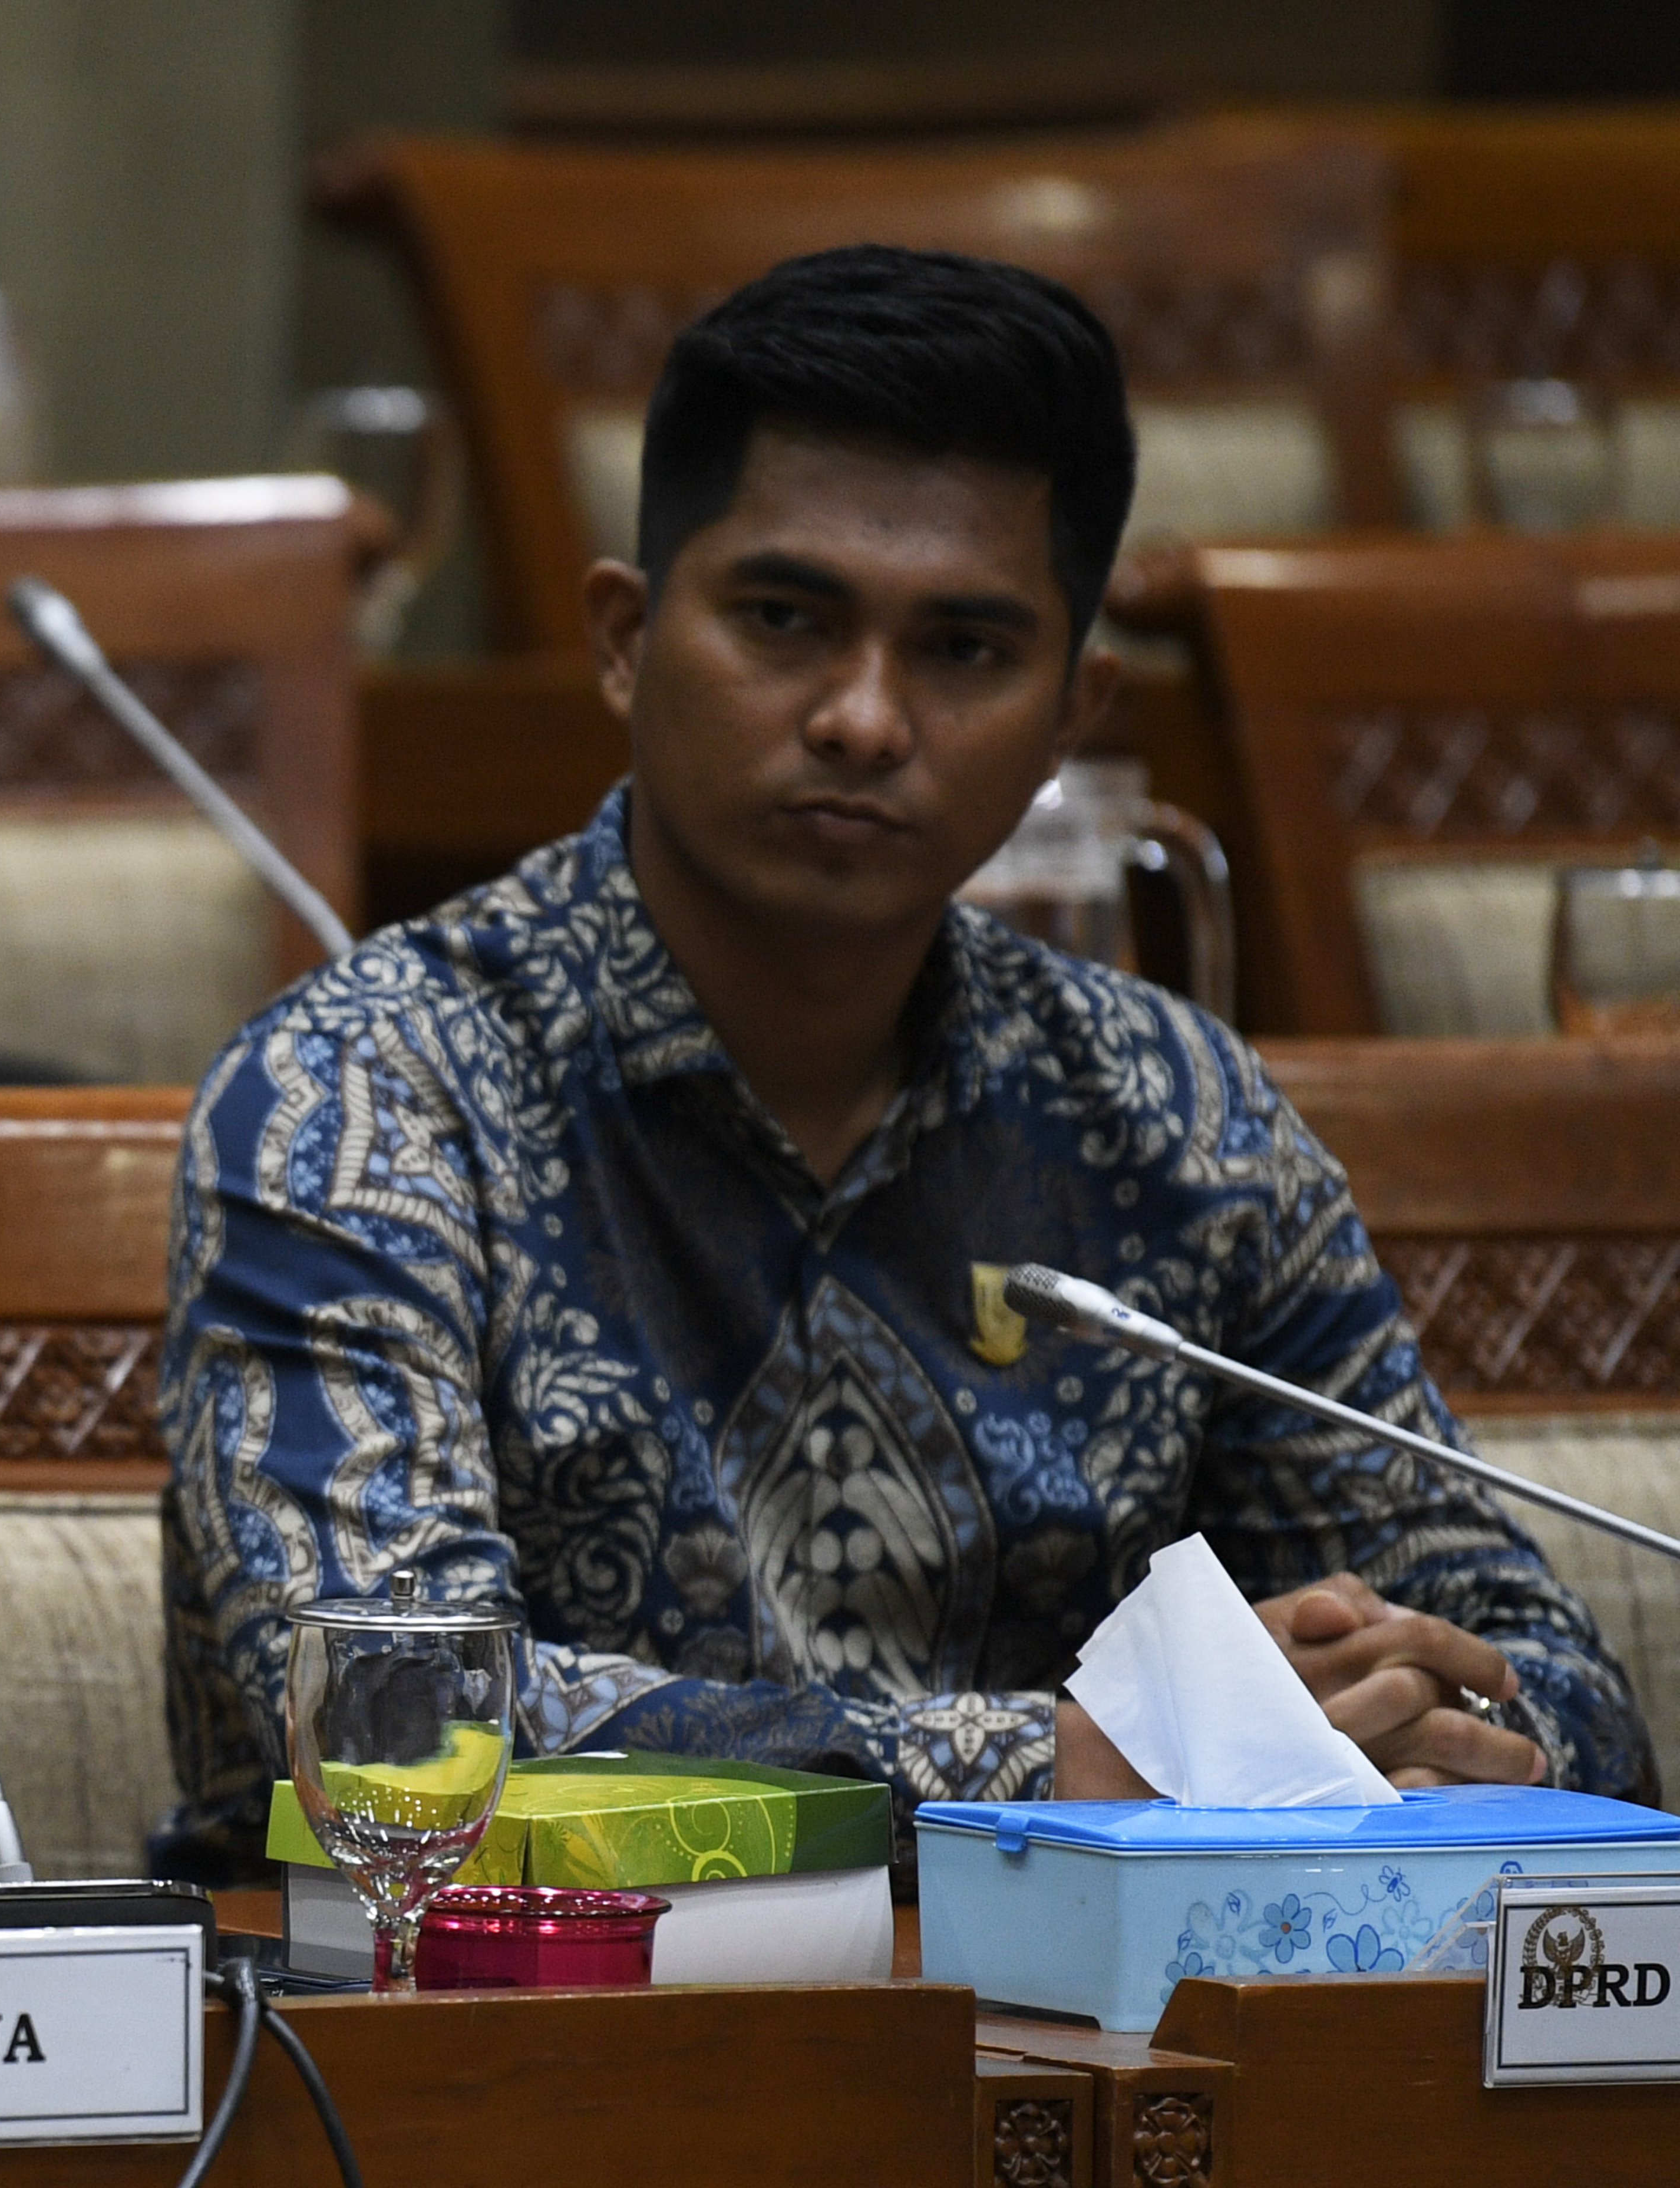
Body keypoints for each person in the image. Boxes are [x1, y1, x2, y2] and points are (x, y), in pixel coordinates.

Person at [153, 245, 1656, 1879]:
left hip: (1090, 2062)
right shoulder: (365, 1096)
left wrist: (1401, 1723)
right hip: (483, 2068)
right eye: (786, 619)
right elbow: (387, 1716)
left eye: (962, 650)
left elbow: (1555, 1685)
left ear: (1074, 709)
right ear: (622, 638)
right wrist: (1074, 1761)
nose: (866, 719)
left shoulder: (1179, 1122)